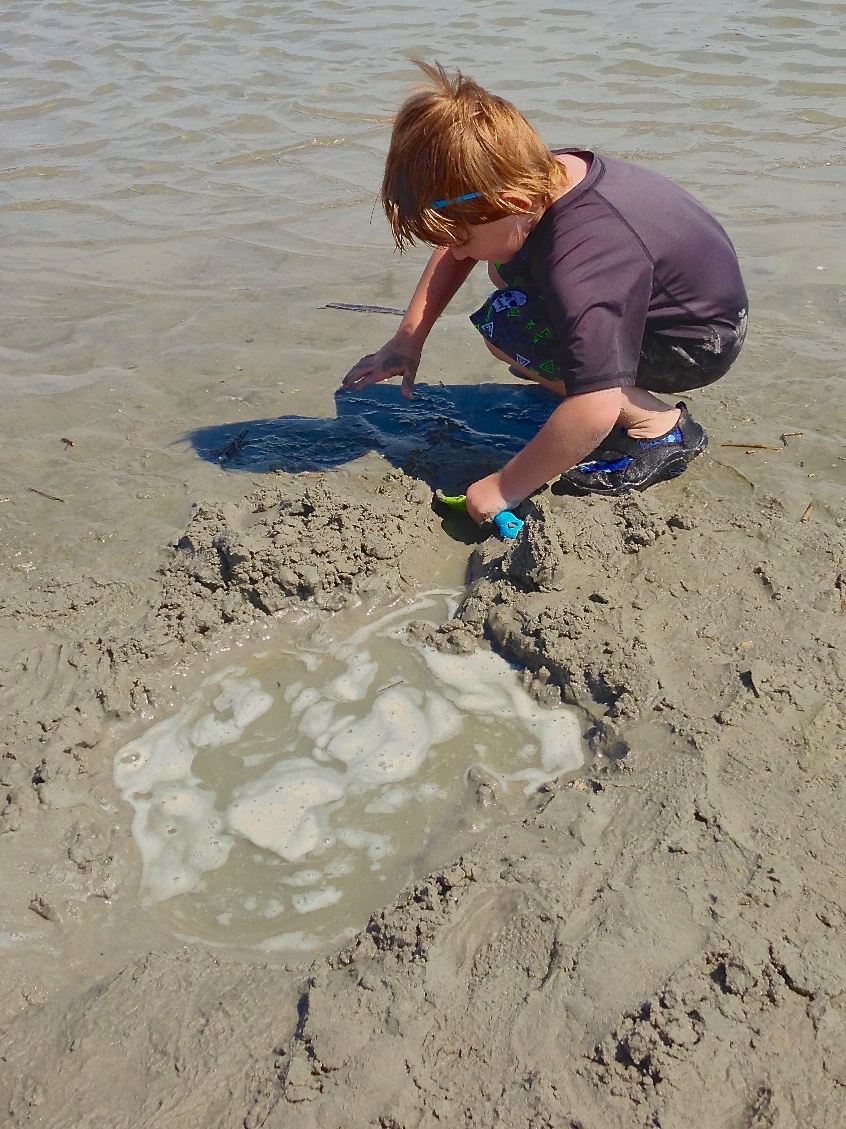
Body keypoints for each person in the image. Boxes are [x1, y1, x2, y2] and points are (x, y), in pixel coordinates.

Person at [341, 62, 747, 525]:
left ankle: (659, 427)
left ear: (512, 205)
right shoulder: (529, 174)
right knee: (502, 266)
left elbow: (596, 407)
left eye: (461, 238)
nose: (455, 250)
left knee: (506, 327)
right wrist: (408, 339)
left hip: (696, 343)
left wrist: (503, 488)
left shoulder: (584, 261)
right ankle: (597, 368)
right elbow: (458, 249)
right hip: (671, 296)